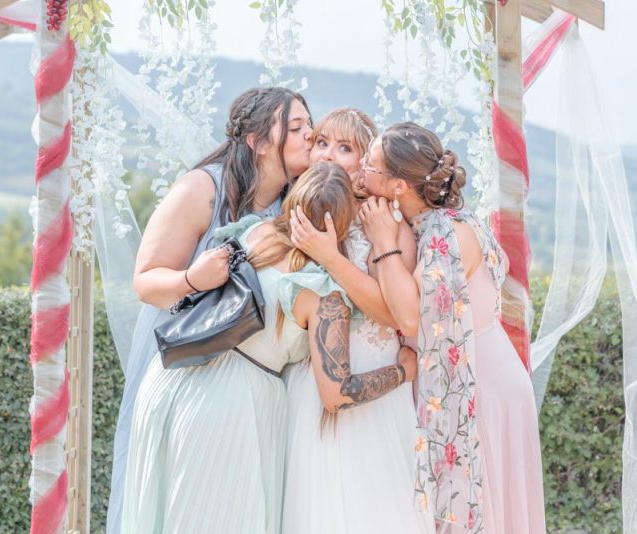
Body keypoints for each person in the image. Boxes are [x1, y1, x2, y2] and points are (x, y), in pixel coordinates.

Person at [122, 161, 417, 533]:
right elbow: (338, 394)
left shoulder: (254, 233)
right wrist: (404, 370)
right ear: (343, 224)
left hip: (171, 378)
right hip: (232, 404)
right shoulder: (321, 294)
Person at [107, 86, 313, 533]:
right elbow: (146, 279)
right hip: (189, 376)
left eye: (310, 126)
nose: (310, 136)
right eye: (296, 127)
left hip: (255, 394)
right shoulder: (204, 188)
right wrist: (191, 280)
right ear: (257, 141)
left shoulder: (296, 207)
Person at [359, 122, 546, 533]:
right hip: (481, 374)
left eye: (369, 165)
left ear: (397, 187)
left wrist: (382, 242)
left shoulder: (447, 235)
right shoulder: (433, 225)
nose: (360, 170)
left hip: (482, 386)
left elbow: (411, 318)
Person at [283, 109, 434, 534]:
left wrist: (331, 256)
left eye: (345, 147)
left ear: (365, 161)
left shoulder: (385, 224)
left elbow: (394, 314)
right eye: (323, 142)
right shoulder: (301, 210)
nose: (328, 154)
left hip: (378, 383)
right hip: (314, 386)